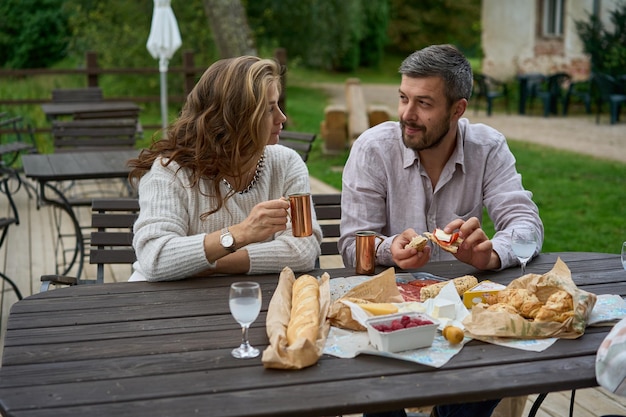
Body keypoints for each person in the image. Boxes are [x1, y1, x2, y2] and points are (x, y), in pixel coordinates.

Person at [340, 44, 544, 417]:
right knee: (372, 382)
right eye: (403, 98)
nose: (407, 114)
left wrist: (491, 253)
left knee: (498, 368)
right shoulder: (373, 149)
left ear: (458, 109)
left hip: (464, 321)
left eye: (424, 103)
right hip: (391, 318)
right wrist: (388, 250)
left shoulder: (488, 147)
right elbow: (354, 245)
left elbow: (527, 226)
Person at [127, 56, 322, 282]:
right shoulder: (170, 171)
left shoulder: (287, 163)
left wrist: (208, 264)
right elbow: (155, 258)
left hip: (248, 297)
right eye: (269, 109)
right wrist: (241, 233)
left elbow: (303, 251)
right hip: (163, 304)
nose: (282, 117)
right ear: (237, 116)